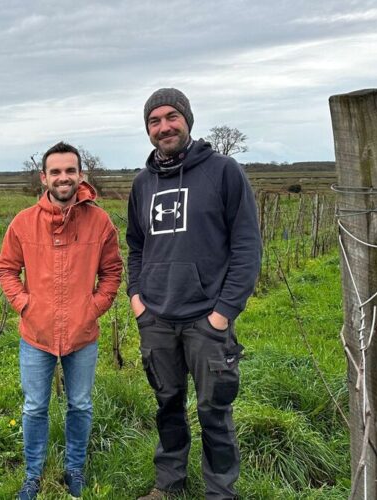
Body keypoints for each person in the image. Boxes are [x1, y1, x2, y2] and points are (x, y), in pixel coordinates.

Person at [126, 88, 261, 500]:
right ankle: (168, 484)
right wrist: (137, 300)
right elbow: (135, 245)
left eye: (171, 117)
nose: (164, 126)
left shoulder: (223, 171)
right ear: (148, 129)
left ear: (187, 119)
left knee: (214, 411)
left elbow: (246, 247)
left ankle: (221, 492)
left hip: (207, 319)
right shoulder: (142, 184)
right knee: (167, 406)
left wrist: (223, 313)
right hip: (157, 320)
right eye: (154, 120)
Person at [0, 141, 123, 500]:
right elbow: (6, 268)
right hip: (35, 333)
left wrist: (93, 307)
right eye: (56, 171)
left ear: (80, 175)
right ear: (44, 177)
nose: (63, 177)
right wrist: (24, 304)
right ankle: (33, 475)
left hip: (82, 335)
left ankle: (74, 469)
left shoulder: (100, 222)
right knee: (35, 406)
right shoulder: (23, 223)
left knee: (79, 404)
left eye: (70, 171)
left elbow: (112, 271)